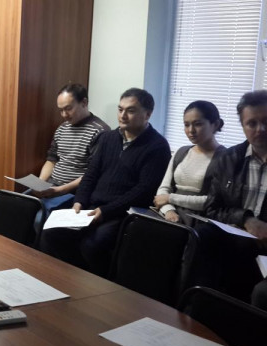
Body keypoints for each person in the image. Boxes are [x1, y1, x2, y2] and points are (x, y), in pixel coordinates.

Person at [39, 88, 171, 276]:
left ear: (148, 114)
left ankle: (91, 285)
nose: (122, 116)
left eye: (130, 111)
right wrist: (79, 201)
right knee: (50, 232)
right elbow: (91, 174)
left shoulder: (157, 146)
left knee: (92, 245)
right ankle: (66, 278)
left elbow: (144, 190)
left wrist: (106, 211)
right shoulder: (109, 138)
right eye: (120, 109)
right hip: (91, 205)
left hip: (121, 212)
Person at [192, 90, 267, 302]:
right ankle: (194, 310)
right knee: (202, 237)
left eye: (266, 121)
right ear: (243, 126)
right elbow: (212, 208)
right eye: (252, 123)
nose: (260, 129)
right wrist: (246, 219)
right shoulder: (228, 158)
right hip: (237, 239)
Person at [29, 83, 110, 216]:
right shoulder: (62, 128)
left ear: (84, 103)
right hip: (51, 186)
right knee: (16, 203)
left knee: (39, 217)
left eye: (68, 109)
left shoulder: (100, 131)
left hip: (73, 192)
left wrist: (61, 190)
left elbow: (93, 173)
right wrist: (40, 183)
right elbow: (52, 160)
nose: (64, 114)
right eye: (60, 110)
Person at [153, 101, 225, 225]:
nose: (191, 130)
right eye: (186, 125)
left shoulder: (225, 158)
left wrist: (170, 198)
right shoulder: (181, 152)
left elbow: (212, 201)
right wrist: (169, 210)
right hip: (169, 217)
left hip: (200, 222)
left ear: (215, 124)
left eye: (198, 124)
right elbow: (164, 189)